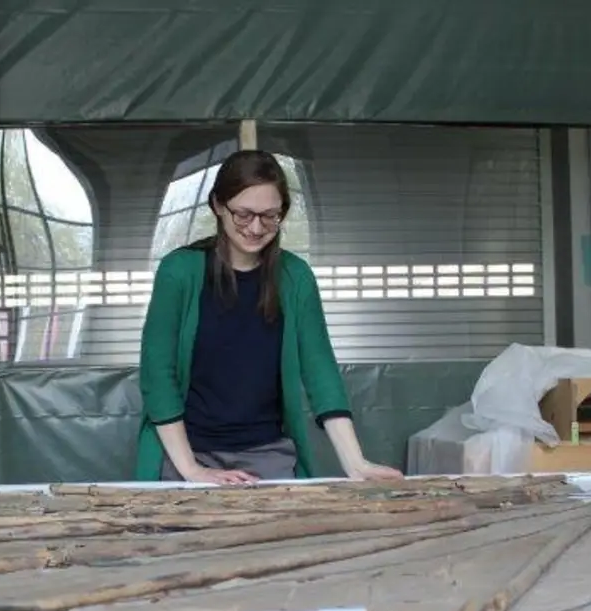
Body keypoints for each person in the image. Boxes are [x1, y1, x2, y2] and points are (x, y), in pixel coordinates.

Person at [134, 150, 404, 485]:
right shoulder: (179, 271)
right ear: (218, 205)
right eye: (243, 215)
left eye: (270, 216)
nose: (256, 228)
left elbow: (320, 369)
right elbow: (157, 375)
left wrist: (355, 462)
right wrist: (192, 470)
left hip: (267, 455)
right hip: (186, 454)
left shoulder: (295, 277)